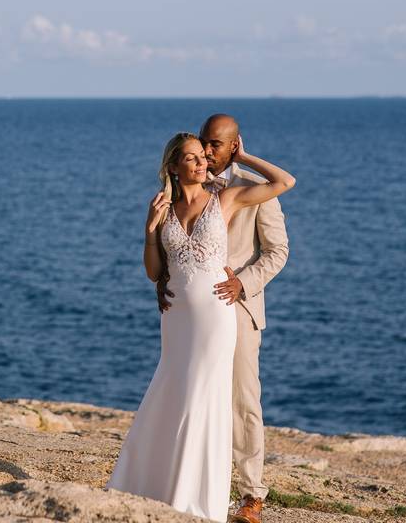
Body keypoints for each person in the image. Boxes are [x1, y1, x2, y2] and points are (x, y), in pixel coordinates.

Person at [106, 130, 294, 522]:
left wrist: (247, 155)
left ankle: (200, 496)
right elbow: (155, 271)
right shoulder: (164, 208)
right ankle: (155, 482)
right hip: (176, 319)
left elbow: (284, 183)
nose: (202, 162)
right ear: (173, 166)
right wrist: (149, 230)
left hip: (216, 315)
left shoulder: (226, 198)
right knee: (171, 390)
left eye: (203, 156)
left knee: (207, 397)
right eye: (191, 157)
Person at [161, 114, 290, 523]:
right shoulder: (187, 185)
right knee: (190, 393)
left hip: (238, 309)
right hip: (191, 314)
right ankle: (191, 483)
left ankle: (252, 496)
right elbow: (172, 245)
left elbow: (278, 251)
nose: (208, 151)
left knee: (242, 402)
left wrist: (244, 283)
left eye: (216, 145)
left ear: (234, 146)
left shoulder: (251, 190)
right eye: (204, 143)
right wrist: (162, 281)